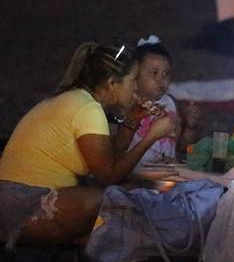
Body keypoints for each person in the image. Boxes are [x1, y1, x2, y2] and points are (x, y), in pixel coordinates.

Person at [0, 43, 174, 245]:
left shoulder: (79, 100)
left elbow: (108, 158)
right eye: (133, 80)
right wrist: (150, 138)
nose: (136, 87)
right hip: (25, 205)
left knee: (115, 223)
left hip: (14, 201)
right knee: (126, 198)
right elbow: (108, 176)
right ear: (111, 83)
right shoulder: (88, 109)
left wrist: (132, 120)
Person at [130, 37, 202, 164]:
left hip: (164, 175)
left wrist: (191, 127)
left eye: (166, 74)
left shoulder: (170, 104)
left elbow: (183, 148)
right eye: (154, 73)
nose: (161, 80)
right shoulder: (128, 104)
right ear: (134, 75)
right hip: (134, 173)